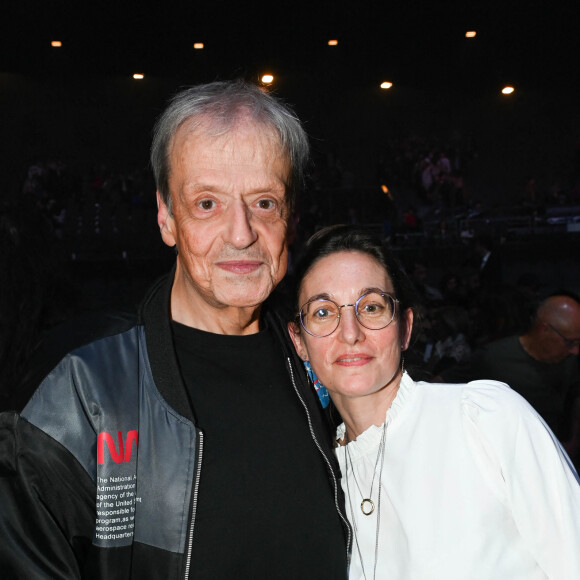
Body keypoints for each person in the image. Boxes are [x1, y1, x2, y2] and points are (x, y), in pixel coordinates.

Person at [0, 81, 350, 579]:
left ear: (290, 217)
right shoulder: (79, 387)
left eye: (264, 203)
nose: (241, 233)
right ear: (166, 218)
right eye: (207, 204)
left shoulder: (332, 364)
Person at [288, 224, 580, 580]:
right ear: (299, 340)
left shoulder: (483, 418)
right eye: (322, 312)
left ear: (405, 327)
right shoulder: (318, 482)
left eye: (372, 307)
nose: (350, 333)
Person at [440, 292, 580, 446]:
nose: (575, 350)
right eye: (570, 342)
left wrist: (573, 440)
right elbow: (440, 385)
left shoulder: (571, 362)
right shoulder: (493, 358)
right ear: (544, 329)